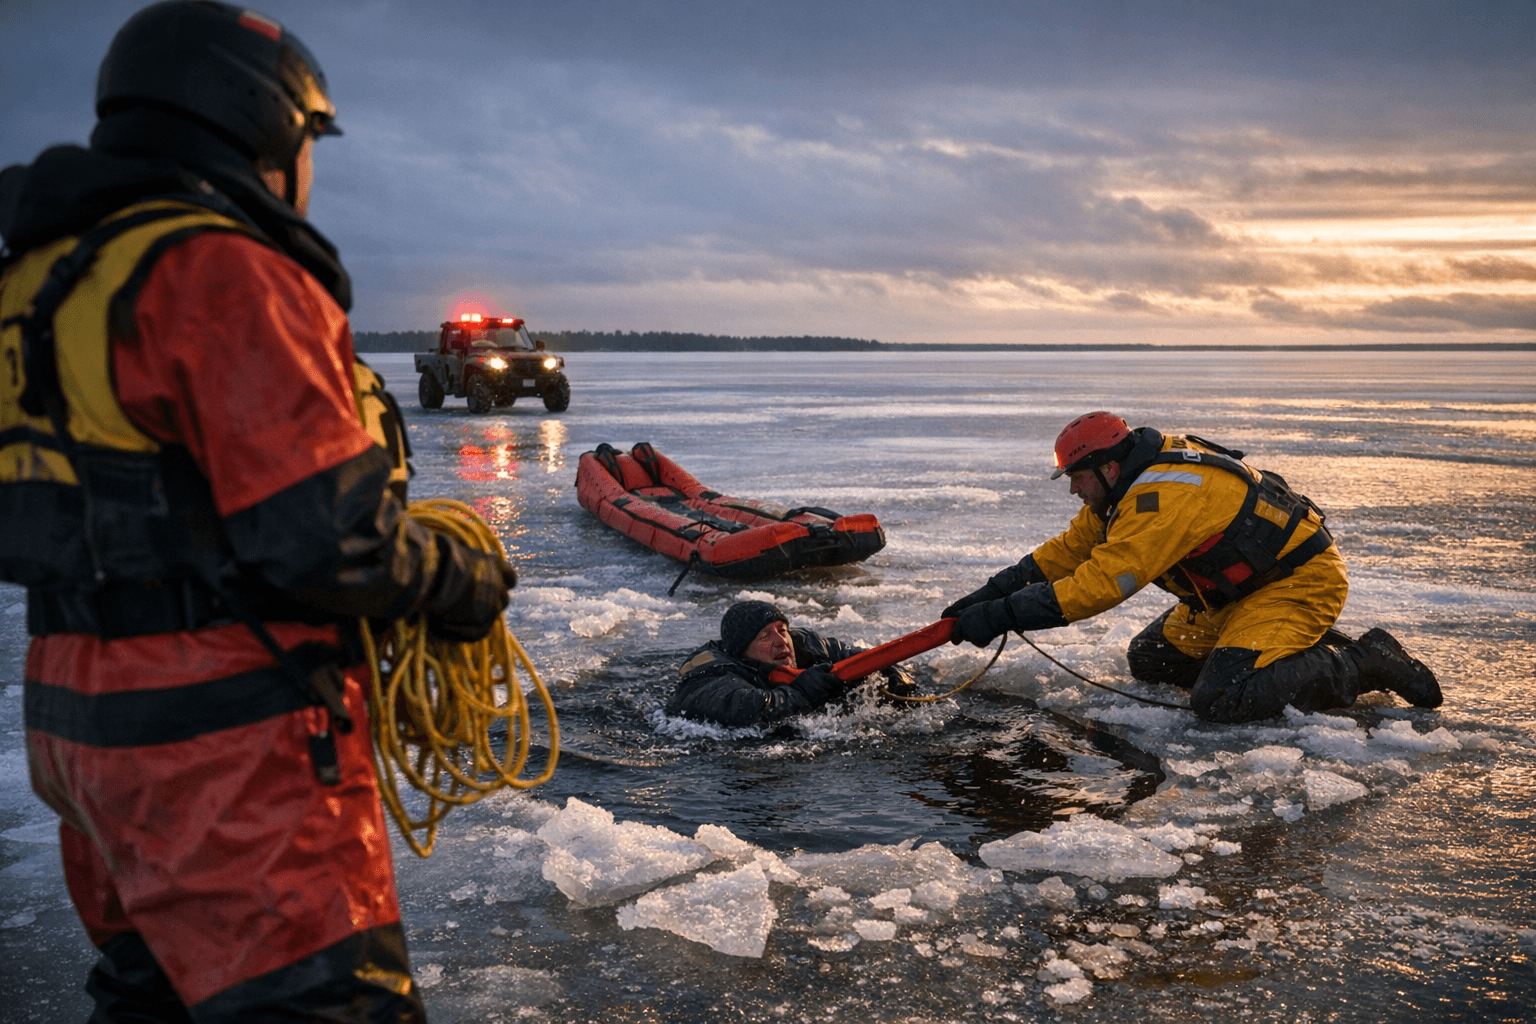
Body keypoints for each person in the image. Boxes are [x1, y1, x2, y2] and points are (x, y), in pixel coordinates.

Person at [0, 3, 516, 1020]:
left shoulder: (42, 282)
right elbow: (329, 542)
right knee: (325, 1004)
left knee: (150, 992)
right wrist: (464, 581)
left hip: (77, 718)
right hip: (221, 731)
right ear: (264, 125)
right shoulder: (217, 267)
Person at [942, 411, 1441, 724]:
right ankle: (1275, 650)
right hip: (1226, 597)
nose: (1074, 489)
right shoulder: (1127, 487)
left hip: (1294, 583)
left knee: (1224, 699)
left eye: (1076, 477)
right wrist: (989, 594)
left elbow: (1100, 584)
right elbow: (1069, 553)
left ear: (1108, 468)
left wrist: (1002, 615)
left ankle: (1365, 659)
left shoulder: (1162, 499)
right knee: (1152, 659)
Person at [667, 600, 915, 726]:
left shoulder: (807, 644)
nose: (781, 641)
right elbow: (746, 709)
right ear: (743, 649)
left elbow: (870, 657)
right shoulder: (712, 673)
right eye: (765, 636)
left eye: (782, 629)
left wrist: (892, 674)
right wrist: (802, 691)